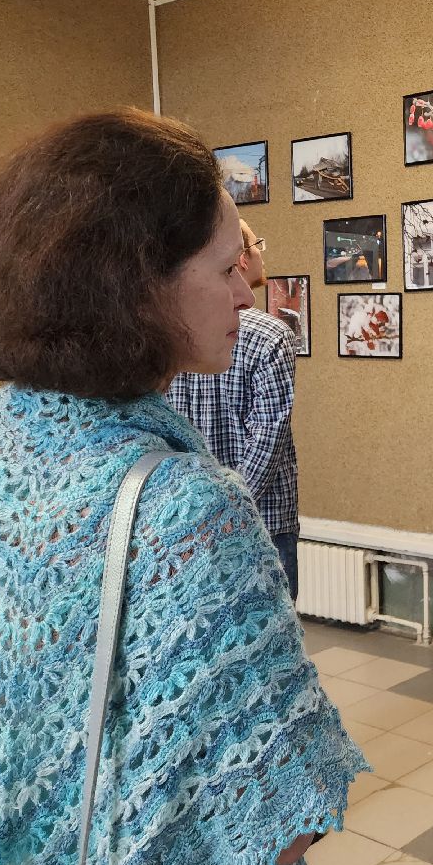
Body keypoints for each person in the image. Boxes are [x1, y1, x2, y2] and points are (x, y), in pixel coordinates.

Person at [0, 109, 366, 865]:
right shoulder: (188, 509)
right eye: (226, 267)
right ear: (137, 285)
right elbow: (285, 826)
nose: (248, 290)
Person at [167, 218, 302, 600]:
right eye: (257, 246)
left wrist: (205, 512)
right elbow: (267, 441)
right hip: (262, 519)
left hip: (191, 516)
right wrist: (232, 510)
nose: (261, 255)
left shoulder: (178, 334)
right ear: (239, 259)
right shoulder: (272, 335)